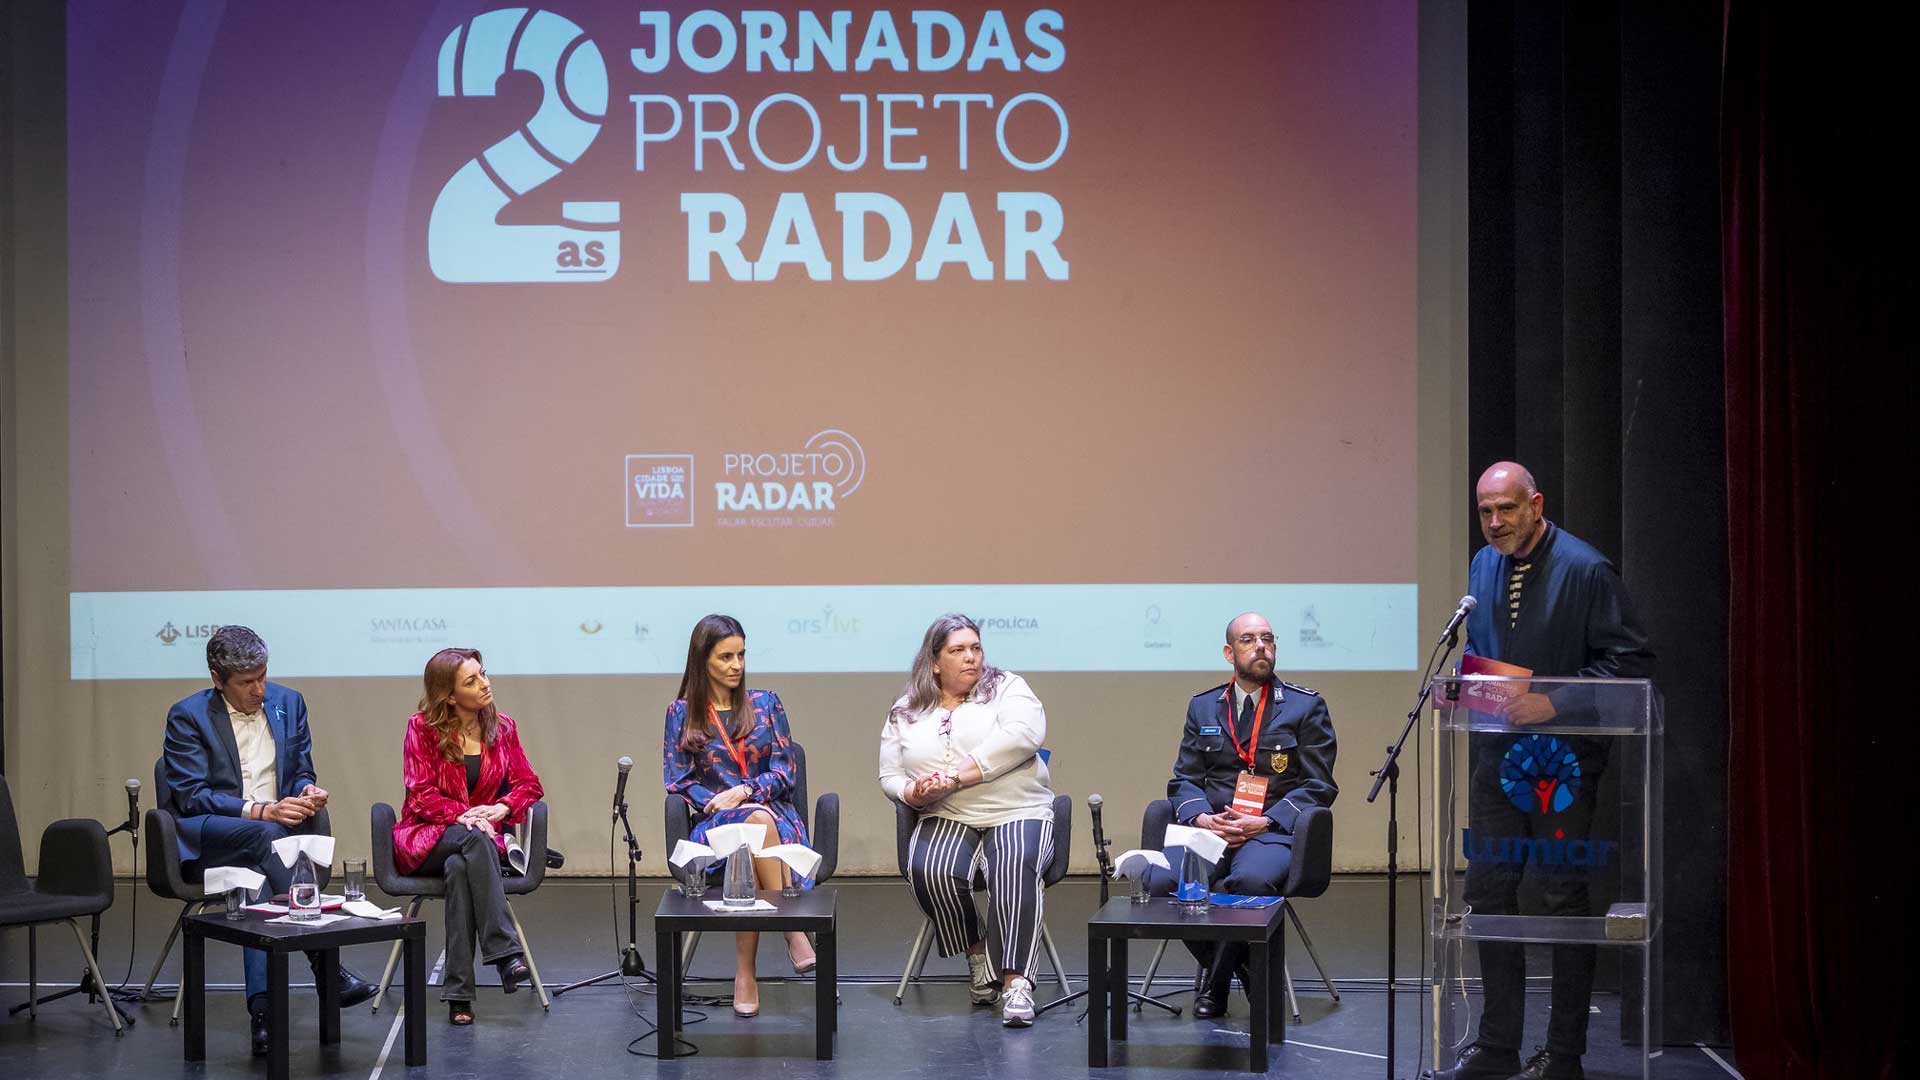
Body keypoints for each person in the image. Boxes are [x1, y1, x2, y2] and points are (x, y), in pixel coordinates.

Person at [1438, 462, 1653, 1080]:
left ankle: (1564, 1056)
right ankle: (1498, 1046)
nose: (1496, 522)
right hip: (1494, 755)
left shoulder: (1587, 569)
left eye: (1507, 509)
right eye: (1486, 512)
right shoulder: (1483, 566)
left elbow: (1631, 662)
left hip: (1562, 759)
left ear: (1536, 504)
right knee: (1487, 893)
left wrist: (1553, 702)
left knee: (1561, 898)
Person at [161, 625, 377, 1056]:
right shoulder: (187, 716)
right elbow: (190, 797)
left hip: (272, 842)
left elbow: (300, 769)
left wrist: (306, 792)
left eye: (262, 676)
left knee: (256, 881)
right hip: (212, 836)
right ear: (216, 678)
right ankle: (325, 967)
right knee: (267, 835)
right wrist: (261, 811)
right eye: (246, 683)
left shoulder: (289, 702)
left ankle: (263, 1017)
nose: (259, 689)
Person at [1149, 612, 1338, 1018]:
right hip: (1211, 831)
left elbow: (1319, 785)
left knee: (1248, 881)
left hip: (1269, 832)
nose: (1261, 647)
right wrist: (1201, 818)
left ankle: (1216, 986)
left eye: (1268, 639)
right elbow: (1184, 779)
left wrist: (1265, 821)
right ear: (1229, 652)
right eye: (1249, 640)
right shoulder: (1203, 707)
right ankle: (1248, 972)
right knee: (1163, 880)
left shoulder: (1305, 707)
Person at [878, 613, 1056, 1028]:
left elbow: (1024, 736)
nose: (971, 658)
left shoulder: (1007, 688)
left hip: (1018, 809)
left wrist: (959, 774)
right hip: (948, 813)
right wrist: (912, 793)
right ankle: (978, 956)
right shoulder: (906, 708)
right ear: (935, 661)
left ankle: (1015, 984)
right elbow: (890, 775)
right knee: (929, 868)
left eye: (975, 648)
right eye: (957, 650)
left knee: (1013, 866)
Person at [661, 615, 817, 1018]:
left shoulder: (766, 704)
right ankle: (791, 930)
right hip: (715, 824)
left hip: (775, 817)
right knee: (747, 829)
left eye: (741, 655)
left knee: (752, 831)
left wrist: (746, 792)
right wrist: (720, 801)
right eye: (725, 657)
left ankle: (744, 974)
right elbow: (677, 781)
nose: (736, 665)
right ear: (702, 660)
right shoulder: (681, 712)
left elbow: (786, 772)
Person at [392, 648, 542, 1025]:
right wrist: (464, 815)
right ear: (448, 694)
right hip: (428, 836)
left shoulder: (502, 727)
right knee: (471, 839)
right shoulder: (421, 728)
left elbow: (529, 784)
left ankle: (459, 994)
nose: (485, 684)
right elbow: (421, 794)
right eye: (471, 681)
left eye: (484, 674)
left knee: (462, 867)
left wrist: (502, 808)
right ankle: (506, 952)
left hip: (474, 844)